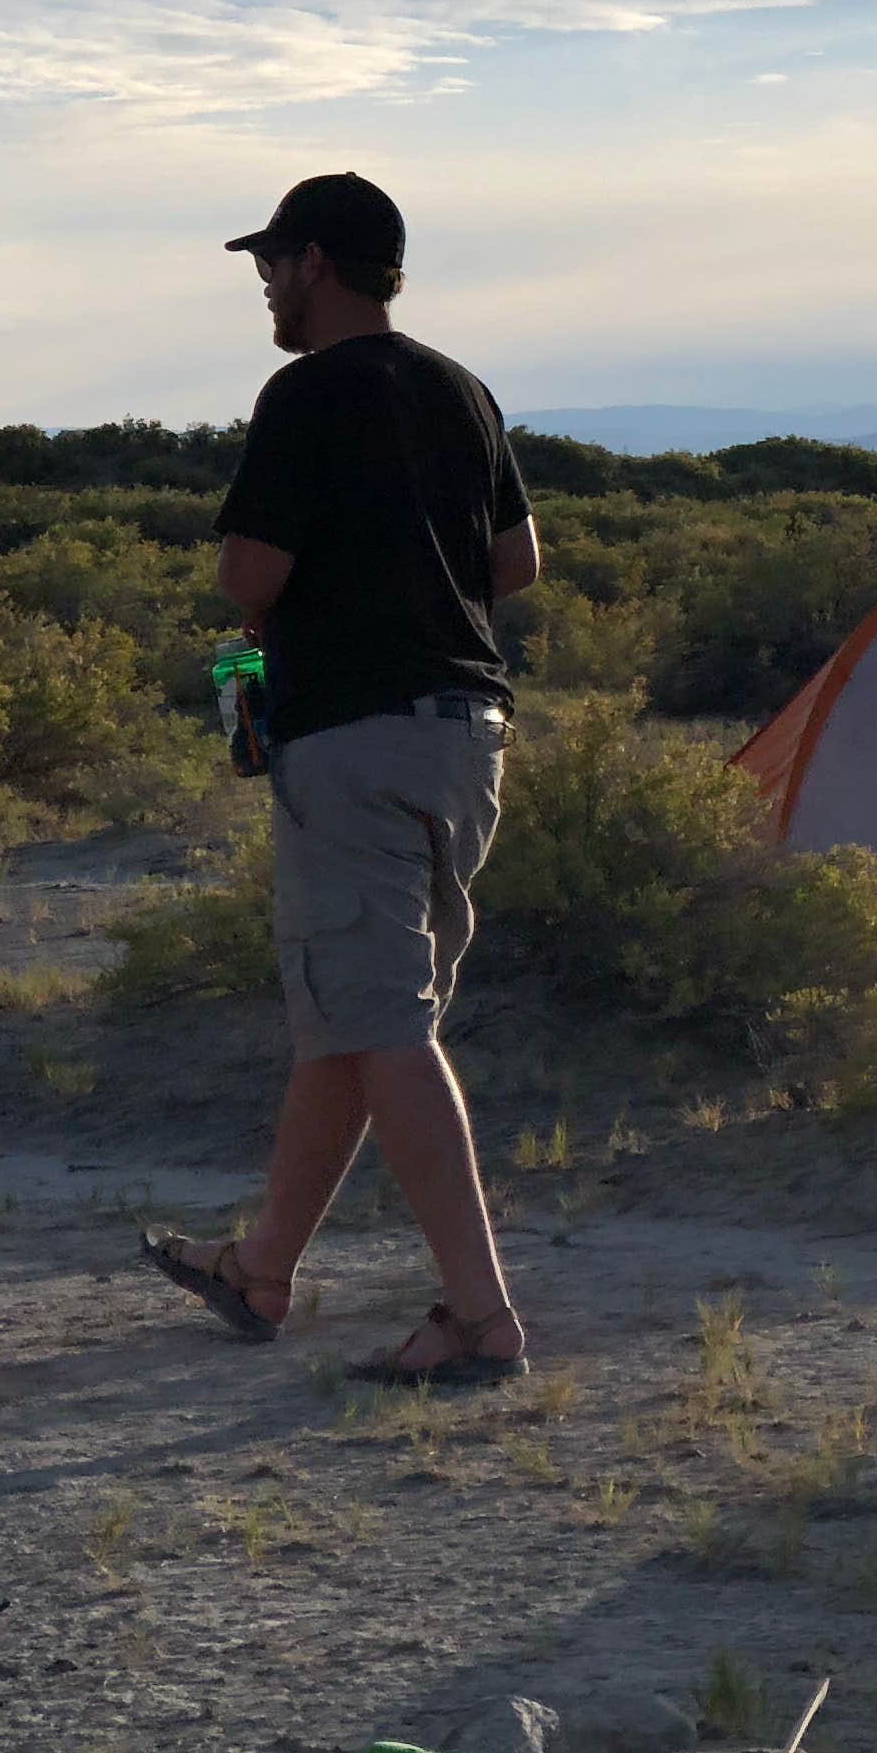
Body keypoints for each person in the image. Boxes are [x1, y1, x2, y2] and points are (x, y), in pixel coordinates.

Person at [137, 173, 541, 1387]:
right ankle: (261, 1267)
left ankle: (480, 1318)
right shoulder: (460, 388)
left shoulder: (305, 392)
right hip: (465, 734)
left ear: (315, 263)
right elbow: (515, 561)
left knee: (380, 1023)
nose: (265, 283)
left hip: (353, 743)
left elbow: (249, 576)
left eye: (273, 262)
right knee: (355, 1021)